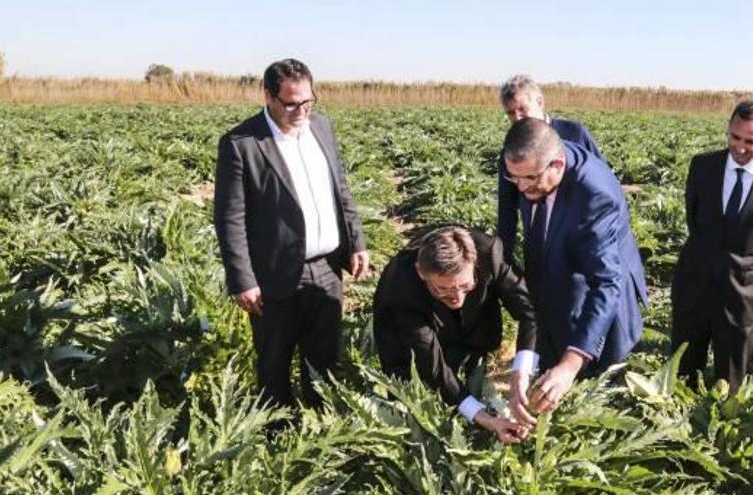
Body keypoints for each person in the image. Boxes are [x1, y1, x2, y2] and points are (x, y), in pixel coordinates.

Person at [213, 58, 369, 409]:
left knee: (324, 363)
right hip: (274, 276)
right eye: (291, 103)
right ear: (268, 96)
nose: (301, 111)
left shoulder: (322, 128)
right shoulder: (242, 144)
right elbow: (230, 218)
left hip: (328, 268)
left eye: (308, 102)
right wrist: (242, 280)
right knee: (274, 366)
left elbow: (340, 189)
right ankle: (279, 439)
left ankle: (319, 434)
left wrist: (356, 241)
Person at [502, 118, 648, 415]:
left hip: (596, 312)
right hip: (553, 290)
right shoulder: (527, 165)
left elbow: (606, 283)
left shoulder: (594, 195)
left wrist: (570, 365)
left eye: (528, 179)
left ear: (557, 165)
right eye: (513, 178)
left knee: (593, 408)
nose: (520, 187)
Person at [671, 100, 753, 393]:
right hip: (694, 283)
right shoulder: (702, 167)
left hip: (742, 293)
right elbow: (695, 220)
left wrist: (746, 271)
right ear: (728, 130)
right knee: (682, 370)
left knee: (729, 381)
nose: (740, 147)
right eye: (735, 137)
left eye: (750, 141)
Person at [373, 226, 539, 442]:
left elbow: (530, 311)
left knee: (469, 359)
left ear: (475, 264)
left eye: (466, 286)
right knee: (413, 395)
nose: (458, 298)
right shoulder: (401, 287)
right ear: (422, 273)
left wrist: (520, 377)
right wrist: (484, 418)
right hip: (400, 334)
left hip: (470, 328)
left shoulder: (490, 252)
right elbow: (430, 363)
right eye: (444, 289)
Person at [498, 75, 604, 262]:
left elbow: (603, 183)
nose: (517, 117)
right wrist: (501, 258)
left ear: (540, 102)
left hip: (580, 236)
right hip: (539, 242)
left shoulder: (574, 133)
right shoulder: (512, 147)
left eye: (522, 109)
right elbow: (507, 208)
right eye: (510, 113)